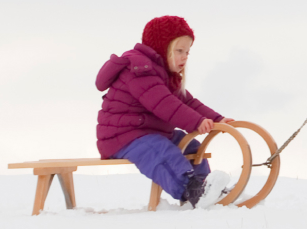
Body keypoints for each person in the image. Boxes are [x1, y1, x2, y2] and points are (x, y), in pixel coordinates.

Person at [95, 15, 232, 208]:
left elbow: (188, 102)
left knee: (191, 146)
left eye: (187, 52)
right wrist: (197, 122)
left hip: (149, 132)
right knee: (159, 150)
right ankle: (189, 189)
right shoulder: (139, 70)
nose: (185, 56)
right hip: (123, 135)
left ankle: (203, 185)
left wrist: (217, 119)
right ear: (161, 48)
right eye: (179, 50)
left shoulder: (164, 75)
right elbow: (164, 104)